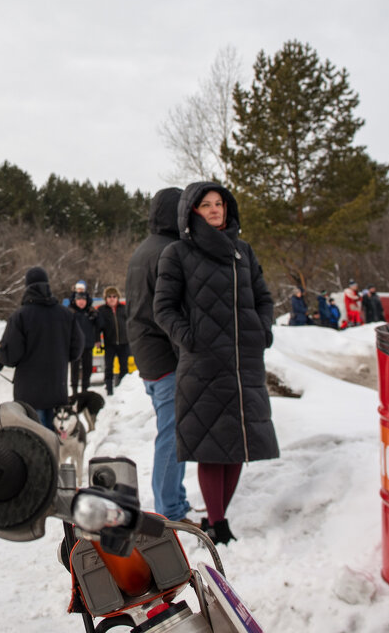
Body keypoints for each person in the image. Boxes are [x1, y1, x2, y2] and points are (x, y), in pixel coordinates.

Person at [154, 183, 278, 545]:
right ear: (191, 212)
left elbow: (264, 298)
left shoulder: (243, 252)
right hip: (204, 365)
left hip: (245, 363)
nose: (214, 210)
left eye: (219, 203)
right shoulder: (178, 253)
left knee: (238, 442)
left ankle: (216, 517)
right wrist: (190, 339)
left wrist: (263, 330)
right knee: (212, 445)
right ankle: (217, 522)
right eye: (205, 205)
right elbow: (163, 308)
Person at [125, 187, 194, 524]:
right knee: (173, 434)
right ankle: (169, 510)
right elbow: (171, 311)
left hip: (149, 355)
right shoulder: (169, 250)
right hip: (165, 356)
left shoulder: (142, 251)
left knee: (172, 430)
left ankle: (175, 501)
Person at [0, 266, 83, 431]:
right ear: (47, 285)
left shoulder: (20, 316)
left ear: (26, 287)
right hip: (57, 391)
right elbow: (77, 349)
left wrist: (0, 354)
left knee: (35, 443)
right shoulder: (66, 315)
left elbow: (11, 356)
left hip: (28, 396)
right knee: (54, 443)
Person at [96, 285, 130, 395]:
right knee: (109, 367)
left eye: (114, 296)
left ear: (118, 297)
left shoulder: (123, 309)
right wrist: (97, 340)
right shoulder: (102, 310)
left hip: (124, 342)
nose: (112, 298)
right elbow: (98, 327)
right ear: (106, 298)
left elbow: (130, 324)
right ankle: (109, 389)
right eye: (109, 296)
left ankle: (123, 389)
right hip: (109, 343)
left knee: (124, 367)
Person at [68, 280, 98, 394]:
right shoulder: (71, 309)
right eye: (78, 290)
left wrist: (95, 315)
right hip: (75, 344)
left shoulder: (90, 309)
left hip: (88, 343)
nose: (81, 301)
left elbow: (99, 324)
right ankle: (74, 390)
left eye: (82, 290)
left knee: (87, 368)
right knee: (74, 369)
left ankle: (85, 389)